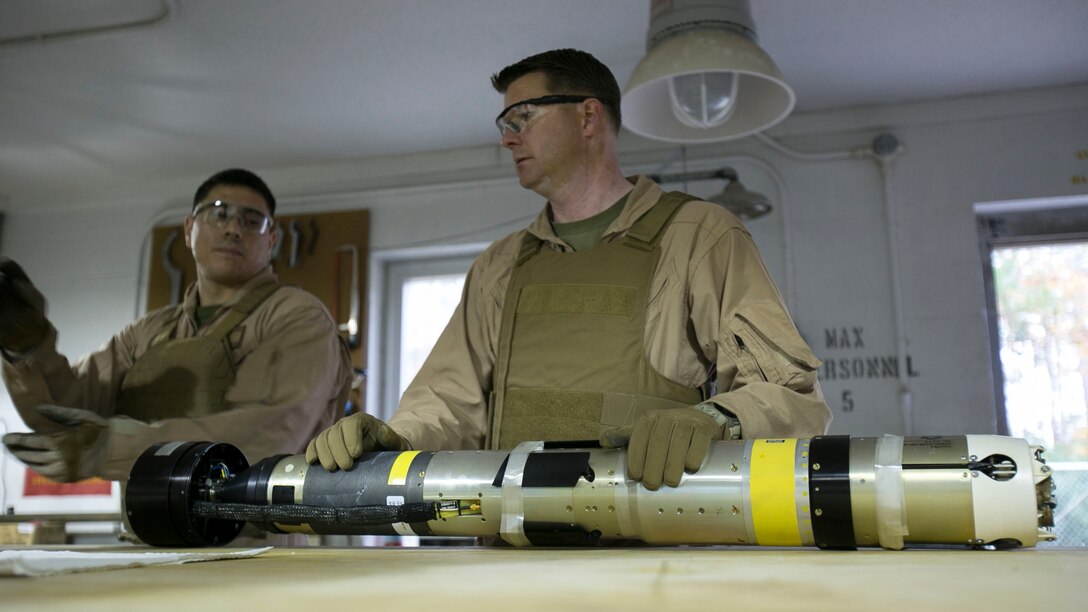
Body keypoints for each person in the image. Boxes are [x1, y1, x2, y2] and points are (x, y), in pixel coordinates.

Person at [308, 49, 831, 491]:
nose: (507, 139)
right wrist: (393, 439)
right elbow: (446, 402)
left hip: (659, 552)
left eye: (522, 118)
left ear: (586, 117)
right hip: (512, 552)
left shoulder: (699, 235)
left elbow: (792, 396)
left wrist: (712, 418)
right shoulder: (500, 265)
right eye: (504, 124)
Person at [1, 168, 353, 485]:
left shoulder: (298, 317)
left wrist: (111, 447)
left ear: (271, 240)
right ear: (188, 230)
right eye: (218, 213)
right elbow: (66, 410)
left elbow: (272, 432)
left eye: (252, 220)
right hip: (145, 541)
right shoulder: (147, 332)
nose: (233, 228)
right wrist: (28, 347)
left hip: (253, 546)